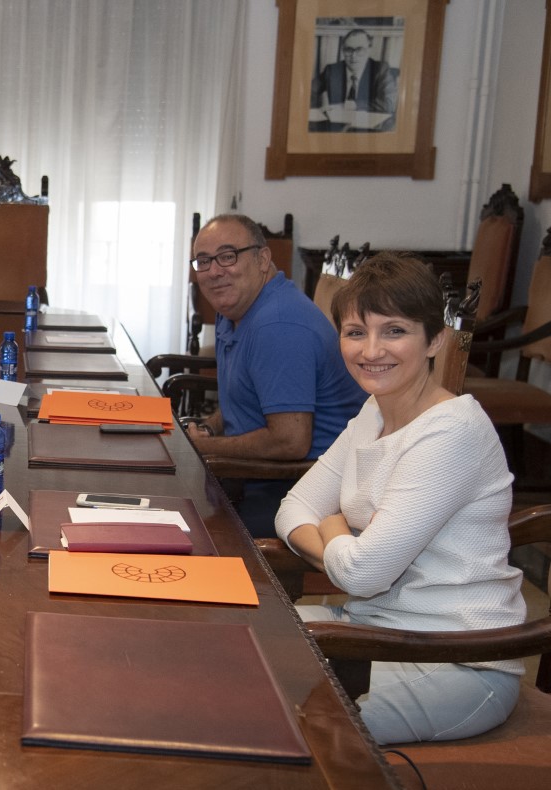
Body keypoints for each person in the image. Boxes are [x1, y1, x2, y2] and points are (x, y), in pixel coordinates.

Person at [276, 253, 524, 745]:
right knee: (237, 651)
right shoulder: (375, 410)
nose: (371, 350)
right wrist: (338, 536)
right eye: (355, 332)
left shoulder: (452, 431)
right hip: (373, 628)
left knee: (276, 715)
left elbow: (365, 575)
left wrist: (333, 526)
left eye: (394, 331)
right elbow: (292, 509)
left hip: (457, 659)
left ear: (435, 339)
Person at [183, 214, 364, 537]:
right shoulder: (236, 309)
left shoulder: (277, 326)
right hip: (254, 474)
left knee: (175, 525)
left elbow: (290, 441)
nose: (214, 271)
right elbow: (249, 395)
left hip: (298, 490)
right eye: (203, 261)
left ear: (263, 259)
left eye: (228, 256)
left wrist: (204, 448)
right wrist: (210, 428)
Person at [309, 29, 398, 128]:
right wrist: (320, 109)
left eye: (359, 49)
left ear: (369, 50)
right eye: (348, 50)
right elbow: (308, 94)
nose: (353, 56)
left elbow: (389, 103)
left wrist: (355, 105)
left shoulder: (380, 70)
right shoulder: (332, 70)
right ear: (343, 50)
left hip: (369, 128)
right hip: (337, 127)